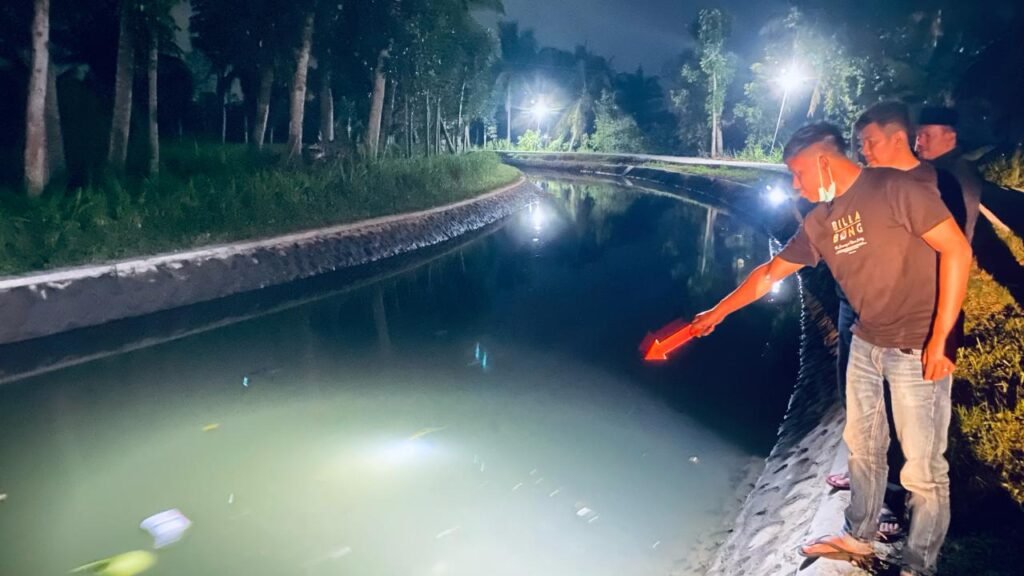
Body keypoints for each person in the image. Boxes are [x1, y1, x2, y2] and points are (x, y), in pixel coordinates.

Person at [691, 123, 972, 576]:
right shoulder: (820, 221)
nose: (794, 185)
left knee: (923, 470)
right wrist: (717, 312)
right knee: (862, 448)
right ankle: (858, 537)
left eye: (797, 174)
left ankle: (919, 566)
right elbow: (768, 273)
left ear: (824, 161)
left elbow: (956, 251)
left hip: (916, 346)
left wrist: (941, 338)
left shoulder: (894, 188)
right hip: (865, 341)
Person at [826, 104, 970, 544]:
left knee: (916, 441)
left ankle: (903, 516)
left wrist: (941, 334)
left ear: (897, 138)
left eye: (869, 141)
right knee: (866, 421)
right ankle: (868, 502)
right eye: (859, 143)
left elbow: (952, 254)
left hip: (914, 329)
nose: (862, 151)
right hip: (862, 317)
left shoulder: (934, 183)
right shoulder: (869, 184)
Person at [915, 106, 983, 242]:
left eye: (927, 136)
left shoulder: (953, 177)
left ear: (950, 137)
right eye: (918, 136)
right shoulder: (941, 168)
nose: (919, 143)